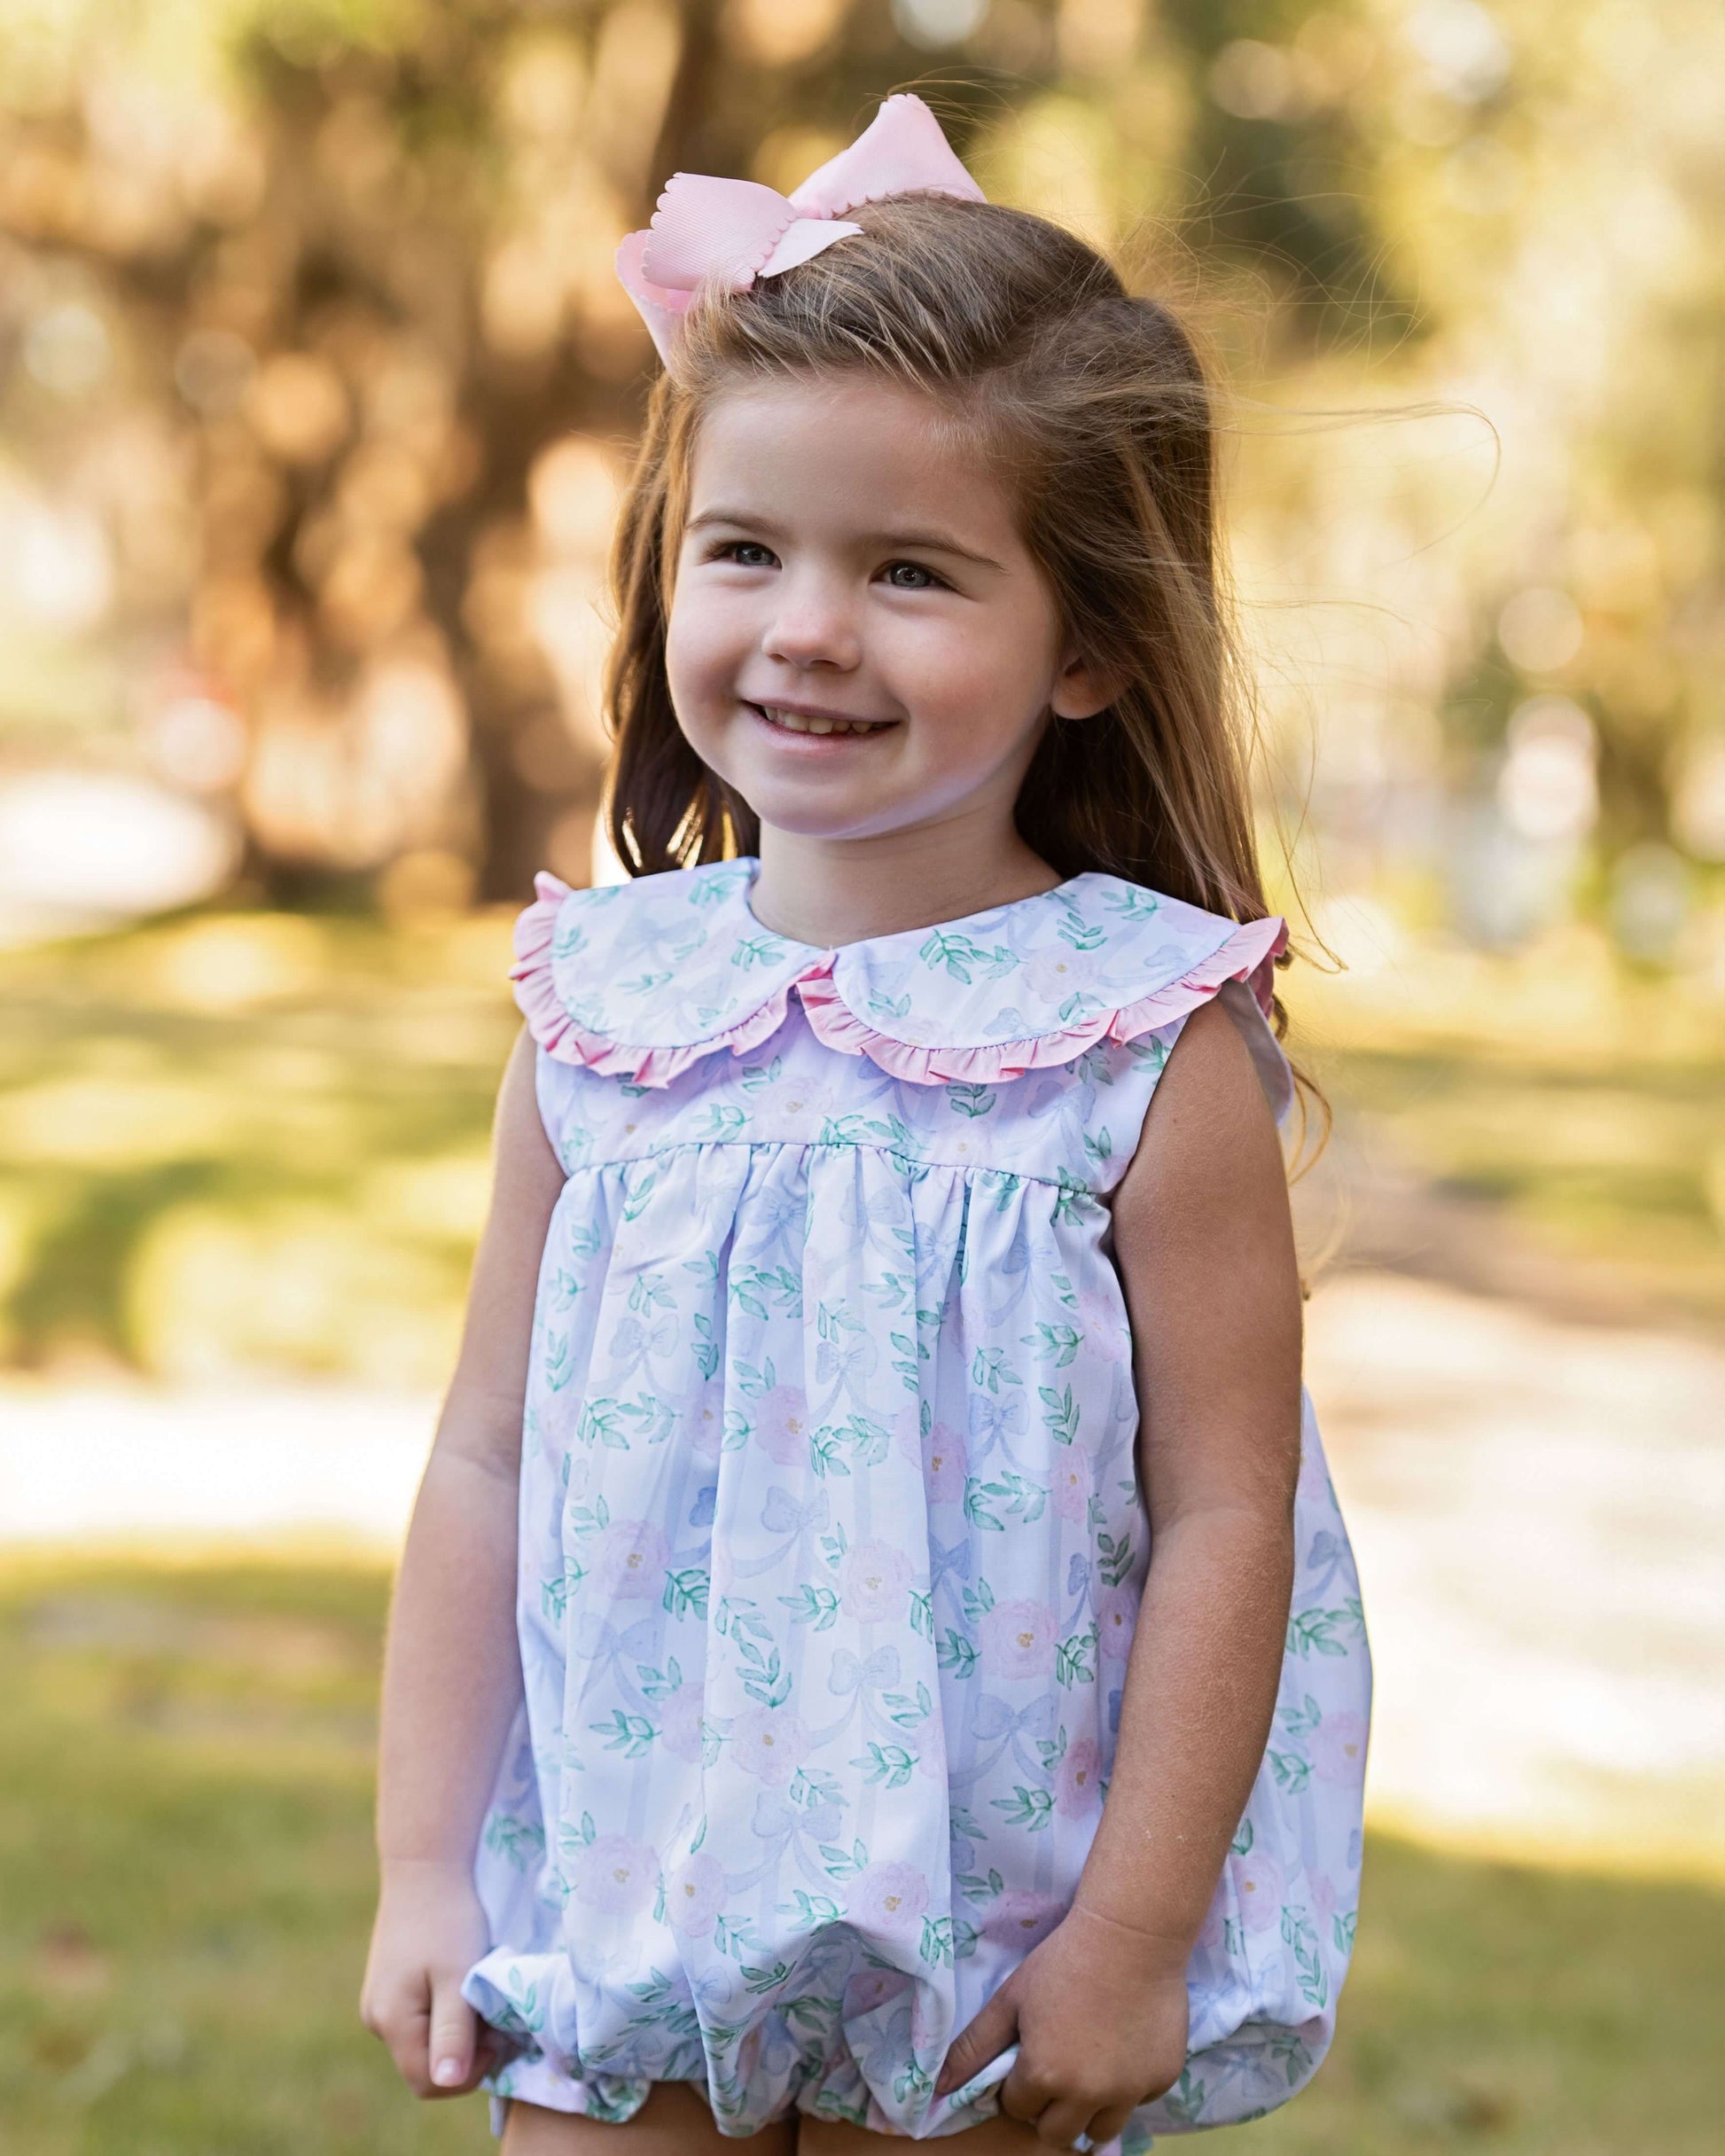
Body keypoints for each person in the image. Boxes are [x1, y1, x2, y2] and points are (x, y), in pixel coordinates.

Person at [360, 94, 1370, 2156]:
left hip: (991, 1927)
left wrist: (1131, 1933)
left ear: (1088, 645)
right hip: (628, 1893)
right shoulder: (604, 1004)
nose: (807, 625)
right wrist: (425, 1865)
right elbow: (485, 1454)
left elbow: (1227, 1514)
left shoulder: (1138, 1035)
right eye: (746, 550)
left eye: (910, 571)